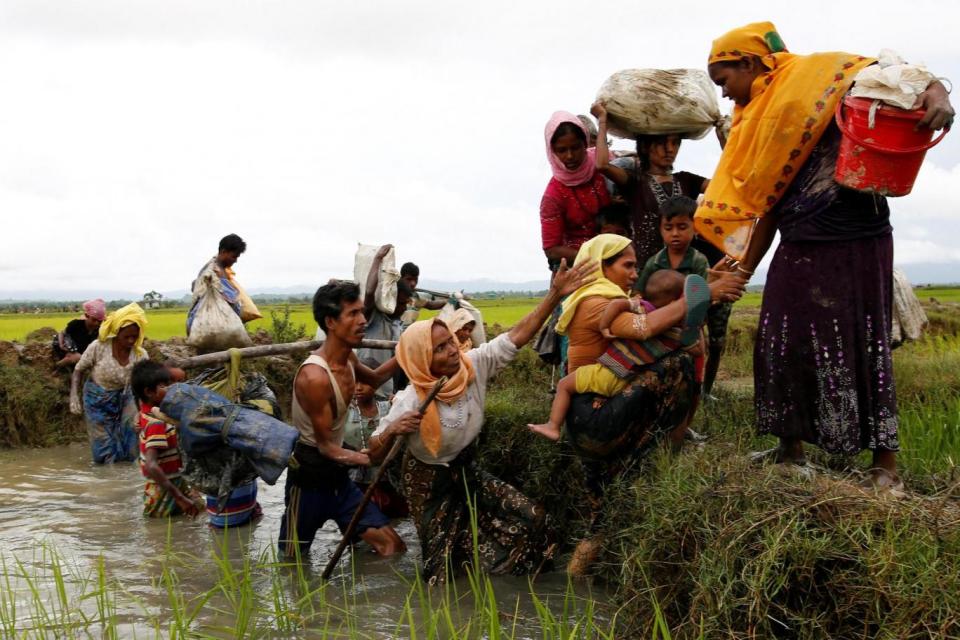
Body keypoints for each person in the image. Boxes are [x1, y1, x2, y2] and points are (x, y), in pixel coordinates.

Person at [697, 21, 953, 489]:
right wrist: (743, 266)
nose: (727, 96)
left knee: (865, 341)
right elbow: (771, 204)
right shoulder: (757, 118)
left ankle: (885, 466)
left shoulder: (824, 76)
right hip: (800, 240)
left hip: (858, 237)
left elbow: (903, 73)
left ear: (748, 62)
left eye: (725, 81)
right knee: (780, 340)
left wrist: (937, 96)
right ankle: (790, 448)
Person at [367, 258, 597, 582]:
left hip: (464, 466)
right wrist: (392, 430)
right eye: (440, 348)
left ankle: (501, 587)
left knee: (534, 520)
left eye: (450, 342)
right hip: (426, 481)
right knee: (440, 573)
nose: (452, 350)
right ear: (421, 359)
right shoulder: (411, 400)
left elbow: (516, 336)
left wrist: (554, 296)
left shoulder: (473, 367)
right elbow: (373, 453)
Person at [555, 234, 744, 574]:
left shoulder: (609, 298)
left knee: (602, 517)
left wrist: (699, 289)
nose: (633, 273)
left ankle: (572, 586)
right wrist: (701, 296)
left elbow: (663, 310)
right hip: (596, 416)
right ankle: (666, 449)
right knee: (678, 364)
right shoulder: (597, 302)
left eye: (635, 266)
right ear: (602, 266)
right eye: (626, 265)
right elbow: (646, 328)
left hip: (589, 415)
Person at [278, 281, 406, 560]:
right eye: (353, 314)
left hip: (339, 478)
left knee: (393, 547)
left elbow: (374, 379)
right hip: (309, 479)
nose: (363, 321)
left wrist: (405, 351)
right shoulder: (315, 377)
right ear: (331, 322)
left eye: (362, 313)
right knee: (292, 561)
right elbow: (326, 447)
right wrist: (371, 457)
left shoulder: (348, 358)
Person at [529, 269, 705, 442]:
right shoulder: (675, 332)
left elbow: (616, 305)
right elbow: (698, 351)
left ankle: (552, 426)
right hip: (629, 380)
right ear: (676, 301)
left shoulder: (642, 309)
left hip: (608, 372)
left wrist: (605, 326)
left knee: (564, 384)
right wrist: (694, 326)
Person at [638, 196, 734, 401]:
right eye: (668, 227)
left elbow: (704, 296)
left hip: (699, 316)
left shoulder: (699, 260)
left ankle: (705, 391)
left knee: (714, 346)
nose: (675, 233)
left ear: (695, 228)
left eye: (682, 227)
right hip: (668, 319)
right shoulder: (653, 263)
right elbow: (640, 295)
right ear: (661, 229)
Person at [591, 102, 710, 267]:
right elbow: (602, 165)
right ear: (645, 147)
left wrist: (724, 136)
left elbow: (724, 186)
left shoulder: (687, 180)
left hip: (685, 268)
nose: (669, 149)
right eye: (662, 143)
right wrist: (602, 120)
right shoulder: (635, 183)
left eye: (675, 143)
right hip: (646, 270)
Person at [69, 303, 149, 463]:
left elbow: (145, 383)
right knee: (103, 446)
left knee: (131, 433)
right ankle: (106, 477)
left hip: (126, 397)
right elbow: (78, 370)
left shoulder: (140, 355)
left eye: (135, 336)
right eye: (126, 336)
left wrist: (144, 412)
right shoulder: (98, 347)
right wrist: (74, 396)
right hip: (96, 398)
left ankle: (126, 477)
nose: (131, 340)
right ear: (117, 332)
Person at [540, 111, 611, 272]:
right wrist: (596, 257)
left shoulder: (603, 165)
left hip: (618, 256)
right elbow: (551, 249)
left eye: (575, 147)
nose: (570, 156)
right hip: (579, 267)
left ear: (585, 144)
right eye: (562, 150)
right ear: (552, 151)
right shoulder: (553, 195)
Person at [131, 361, 203, 518]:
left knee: (190, 517)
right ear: (149, 392)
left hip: (171, 481)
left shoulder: (150, 411)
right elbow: (151, 465)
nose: (171, 389)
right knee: (161, 532)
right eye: (165, 386)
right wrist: (179, 497)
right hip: (163, 489)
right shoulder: (156, 422)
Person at [343, 357, 408, 518]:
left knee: (393, 521)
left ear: (376, 383)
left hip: (387, 479)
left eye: (364, 383)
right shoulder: (345, 412)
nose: (358, 388)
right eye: (354, 382)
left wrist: (399, 403)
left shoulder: (388, 409)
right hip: (355, 480)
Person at [356, 244, 414, 399]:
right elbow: (369, 292)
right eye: (401, 304)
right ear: (391, 300)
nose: (404, 309)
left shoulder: (396, 325)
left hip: (385, 393)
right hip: (365, 390)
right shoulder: (373, 317)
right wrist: (378, 259)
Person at [186, 233, 252, 336]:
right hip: (207, 324)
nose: (236, 260)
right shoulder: (215, 271)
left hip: (199, 324)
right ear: (223, 252)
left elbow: (194, 286)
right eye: (234, 256)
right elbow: (231, 300)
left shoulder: (214, 268)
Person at [52, 299, 106, 368]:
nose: (96, 323)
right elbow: (62, 333)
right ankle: (56, 366)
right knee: (78, 358)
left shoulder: (98, 330)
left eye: (99, 321)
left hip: (79, 350)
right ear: (87, 316)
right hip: (66, 347)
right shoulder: (76, 324)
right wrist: (61, 344)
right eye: (94, 320)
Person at [399, 262, 447, 327]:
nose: (413, 283)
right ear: (401, 278)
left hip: (408, 335)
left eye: (415, 279)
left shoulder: (415, 297)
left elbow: (431, 305)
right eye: (409, 279)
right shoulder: (393, 294)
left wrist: (447, 301)